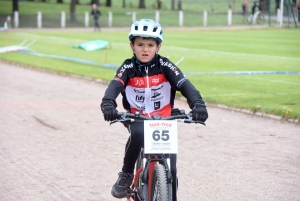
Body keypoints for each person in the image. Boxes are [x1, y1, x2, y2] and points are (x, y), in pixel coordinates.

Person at [100, 19, 208, 200]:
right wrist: (108, 104)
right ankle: (126, 174)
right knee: (138, 133)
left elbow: (184, 85)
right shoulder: (128, 67)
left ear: (158, 47)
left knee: (171, 166)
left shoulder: (166, 66)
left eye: (150, 45)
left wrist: (198, 104)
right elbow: (115, 86)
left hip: (163, 117)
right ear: (132, 46)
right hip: (136, 116)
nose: (145, 49)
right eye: (140, 44)